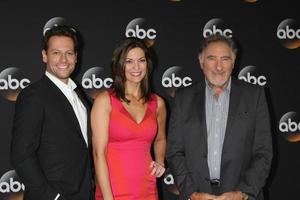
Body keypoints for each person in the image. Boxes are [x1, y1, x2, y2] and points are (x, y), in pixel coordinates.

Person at [166, 34, 273, 200]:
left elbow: (263, 153)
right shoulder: (183, 98)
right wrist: (192, 193)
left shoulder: (254, 96)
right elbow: (174, 152)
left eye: (225, 59)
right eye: (211, 59)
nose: (219, 67)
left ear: (234, 62)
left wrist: (243, 193)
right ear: (201, 62)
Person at [10, 25, 94, 200]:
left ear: (76, 57)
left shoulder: (78, 94)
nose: (63, 59)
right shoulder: (34, 95)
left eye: (69, 53)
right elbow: (21, 155)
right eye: (56, 53)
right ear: (44, 55)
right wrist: (52, 196)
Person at [92, 37, 167, 200]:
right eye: (129, 61)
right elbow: (99, 153)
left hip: (147, 189)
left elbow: (160, 139)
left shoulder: (158, 103)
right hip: (113, 190)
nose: (136, 67)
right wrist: (108, 197)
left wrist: (160, 161)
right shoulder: (105, 101)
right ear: (120, 65)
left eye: (141, 60)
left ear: (147, 63)